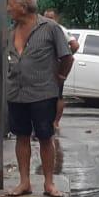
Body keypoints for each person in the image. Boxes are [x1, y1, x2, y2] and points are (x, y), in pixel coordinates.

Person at [6, 0, 74, 197]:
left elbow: (67, 57)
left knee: (45, 137)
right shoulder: (10, 31)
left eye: (11, 5)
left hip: (43, 93)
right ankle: (24, 182)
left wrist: (60, 77)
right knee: (21, 136)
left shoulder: (50, 28)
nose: (8, 9)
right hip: (16, 92)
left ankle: (49, 183)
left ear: (23, 8)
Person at [40, 9, 76, 175]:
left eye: (51, 17)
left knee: (57, 95)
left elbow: (74, 46)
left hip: (54, 70)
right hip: (43, 71)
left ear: (57, 18)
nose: (49, 19)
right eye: (46, 17)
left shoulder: (59, 29)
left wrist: (62, 59)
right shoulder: (41, 28)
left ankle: (54, 121)